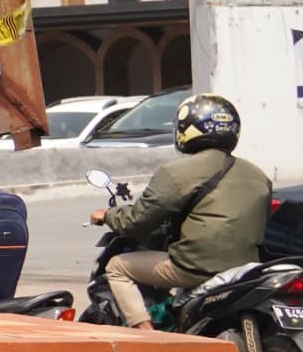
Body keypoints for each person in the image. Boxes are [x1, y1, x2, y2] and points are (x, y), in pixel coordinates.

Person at [93, 94, 269, 325]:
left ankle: (147, 336)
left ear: (187, 129)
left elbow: (136, 221)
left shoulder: (176, 172)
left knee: (116, 267)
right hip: (245, 268)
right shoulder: (258, 174)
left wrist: (107, 215)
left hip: (195, 267)